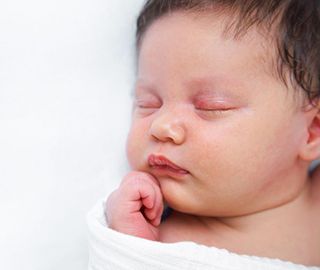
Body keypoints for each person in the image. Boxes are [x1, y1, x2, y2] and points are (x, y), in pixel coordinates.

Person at [91, 0, 320, 268]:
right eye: (147, 104)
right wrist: (131, 245)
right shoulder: (163, 248)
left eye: (211, 106)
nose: (161, 126)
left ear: (311, 132)